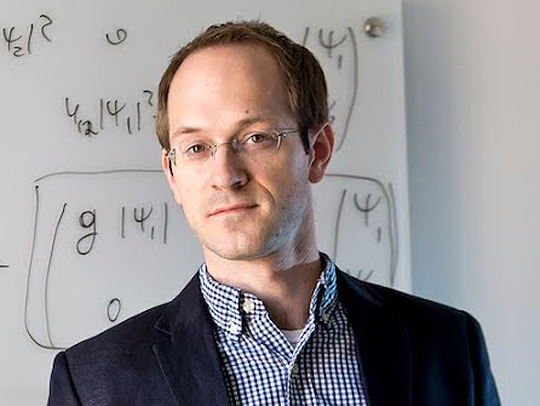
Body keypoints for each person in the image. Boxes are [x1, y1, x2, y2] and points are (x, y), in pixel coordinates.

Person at [47, 20, 501, 406]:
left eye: (256, 137)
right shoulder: (92, 384)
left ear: (318, 151)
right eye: (197, 147)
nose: (225, 174)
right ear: (173, 173)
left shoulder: (447, 345)